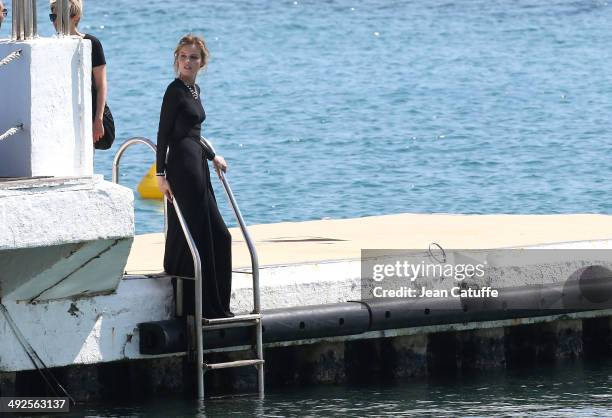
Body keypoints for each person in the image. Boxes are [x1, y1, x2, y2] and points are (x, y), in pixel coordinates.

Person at [156, 34, 233, 319]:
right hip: (182, 169)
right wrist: (160, 174)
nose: (188, 61)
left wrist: (213, 156)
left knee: (218, 236)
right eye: (183, 56)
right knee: (200, 233)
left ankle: (216, 306)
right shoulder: (174, 91)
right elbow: (163, 134)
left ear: (203, 62)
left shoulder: (194, 90)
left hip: (198, 165)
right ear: (176, 59)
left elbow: (191, 133)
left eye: (194, 57)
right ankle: (200, 308)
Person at [50, 0, 107, 146]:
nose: (54, 22)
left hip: (89, 111)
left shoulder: (92, 43)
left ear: (75, 17)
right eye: (52, 17)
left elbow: (101, 85)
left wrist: (98, 120)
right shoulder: (51, 46)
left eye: (58, 16)